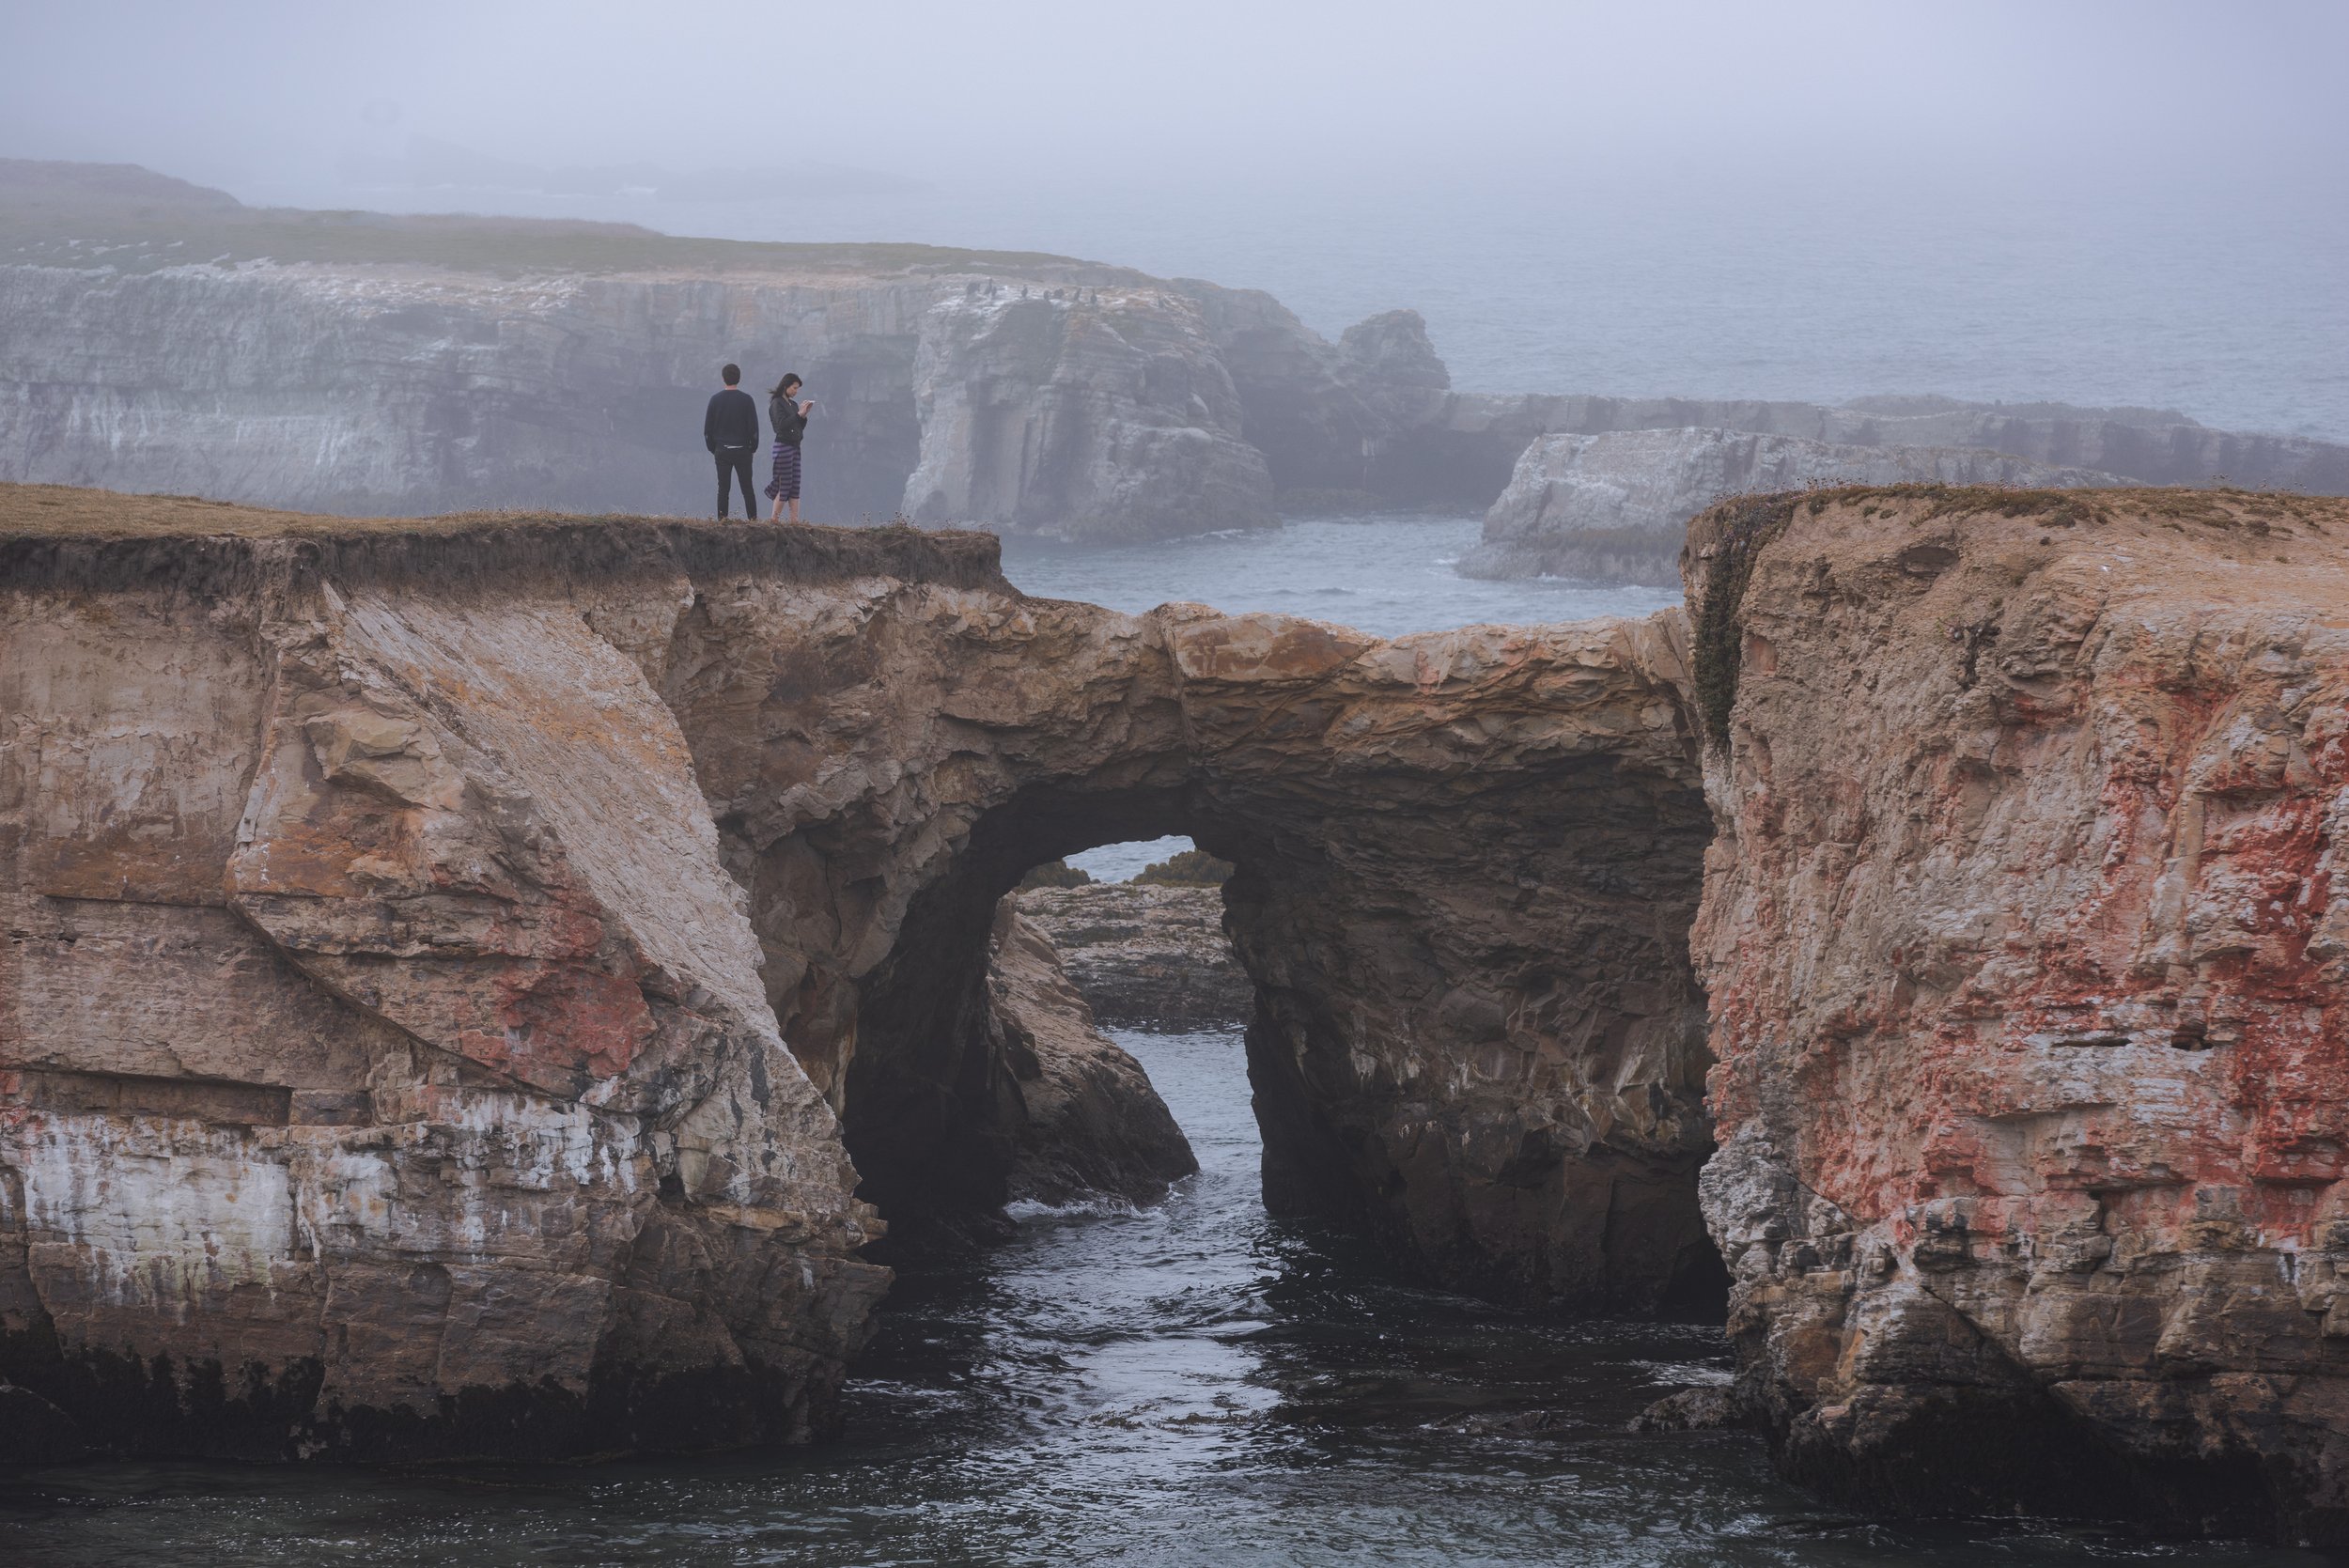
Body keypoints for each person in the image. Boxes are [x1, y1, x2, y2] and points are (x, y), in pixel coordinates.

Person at [704, 363, 761, 520]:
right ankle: (753, 520)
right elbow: (754, 429)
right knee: (747, 488)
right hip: (743, 450)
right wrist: (752, 448)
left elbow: (708, 430)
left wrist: (714, 448)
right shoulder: (747, 400)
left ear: (723, 378)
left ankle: (722, 521)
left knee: (723, 489)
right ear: (739, 378)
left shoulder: (715, 400)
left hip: (722, 450)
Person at [765, 373, 815, 523]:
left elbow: (798, 426)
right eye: (794, 388)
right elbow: (781, 426)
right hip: (783, 446)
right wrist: (798, 414)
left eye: (797, 389)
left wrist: (803, 415)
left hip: (795, 446)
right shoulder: (776, 403)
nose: (796, 391)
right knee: (784, 483)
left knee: (795, 484)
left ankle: (794, 520)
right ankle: (774, 518)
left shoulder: (793, 405)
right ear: (786, 386)